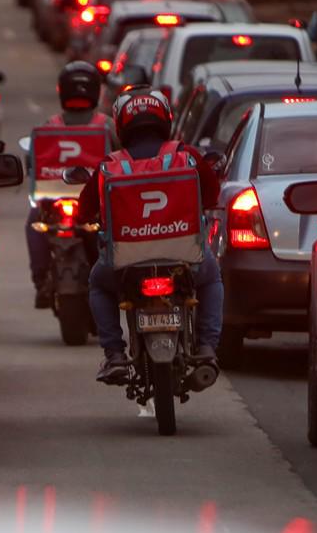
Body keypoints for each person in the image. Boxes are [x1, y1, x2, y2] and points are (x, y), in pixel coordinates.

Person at [77, 90, 223, 383]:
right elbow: (212, 195)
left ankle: (115, 355)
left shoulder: (110, 164)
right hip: (187, 260)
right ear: (165, 120)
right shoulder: (187, 156)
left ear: (121, 125)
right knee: (212, 278)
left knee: (97, 283)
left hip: (124, 266)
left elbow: (84, 211)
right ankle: (207, 347)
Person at [26, 62, 116, 308]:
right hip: (95, 202)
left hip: (53, 201)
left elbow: (31, 160)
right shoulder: (107, 125)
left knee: (33, 225)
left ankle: (41, 281)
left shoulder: (49, 125)